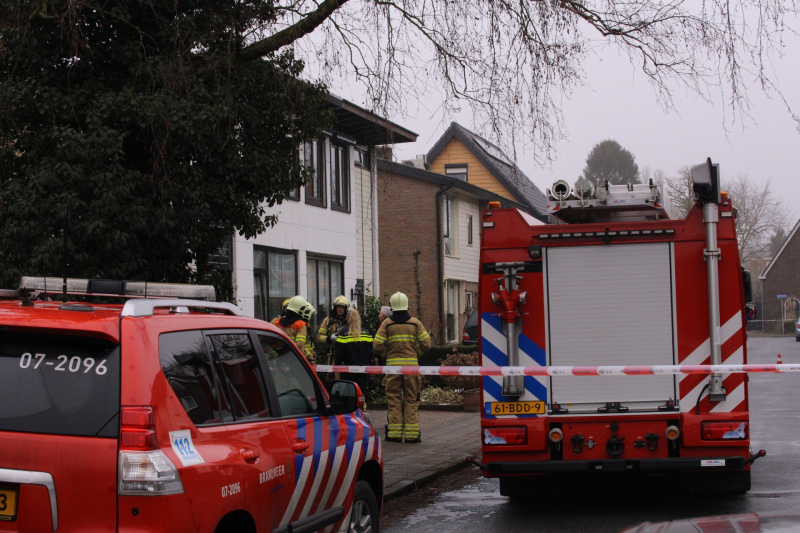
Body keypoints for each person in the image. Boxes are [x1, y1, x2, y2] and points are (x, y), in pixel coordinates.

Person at [373, 292, 431, 443]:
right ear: (407, 305)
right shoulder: (415, 323)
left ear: (392, 306)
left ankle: (394, 434)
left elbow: (377, 345)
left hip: (392, 368)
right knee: (411, 399)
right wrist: (415, 355)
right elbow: (426, 344)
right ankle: (412, 435)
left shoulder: (387, 323)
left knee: (394, 400)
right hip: (411, 368)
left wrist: (388, 355)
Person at [334, 307, 375, 401]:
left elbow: (338, 354)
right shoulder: (367, 334)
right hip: (363, 370)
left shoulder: (343, 334)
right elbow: (371, 353)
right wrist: (372, 366)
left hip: (347, 371)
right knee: (360, 396)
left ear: (348, 319)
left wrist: (337, 368)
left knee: (348, 396)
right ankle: (360, 412)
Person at [271, 296, 316, 363]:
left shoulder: (275, 321)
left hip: (274, 359)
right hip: (293, 360)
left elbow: (269, 339)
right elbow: (300, 344)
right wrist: (310, 357)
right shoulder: (301, 324)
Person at [317, 296, 351, 365]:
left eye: (342, 307)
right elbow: (318, 338)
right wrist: (329, 338)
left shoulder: (350, 321)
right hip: (333, 356)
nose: (340, 309)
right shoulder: (328, 321)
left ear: (346, 309)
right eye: (338, 307)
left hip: (348, 355)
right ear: (335, 308)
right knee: (333, 375)